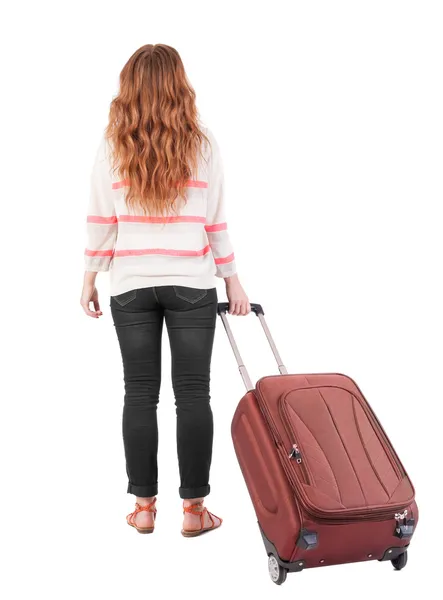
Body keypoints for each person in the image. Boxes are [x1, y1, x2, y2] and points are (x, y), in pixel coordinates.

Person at [80, 44, 250, 536]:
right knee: (194, 395)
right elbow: (215, 222)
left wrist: (90, 275)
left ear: (129, 86)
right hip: (193, 285)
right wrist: (232, 279)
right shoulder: (203, 143)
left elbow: (100, 220)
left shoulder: (114, 145)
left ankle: (144, 508)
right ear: (180, 83)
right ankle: (195, 511)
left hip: (130, 285)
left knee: (139, 394)